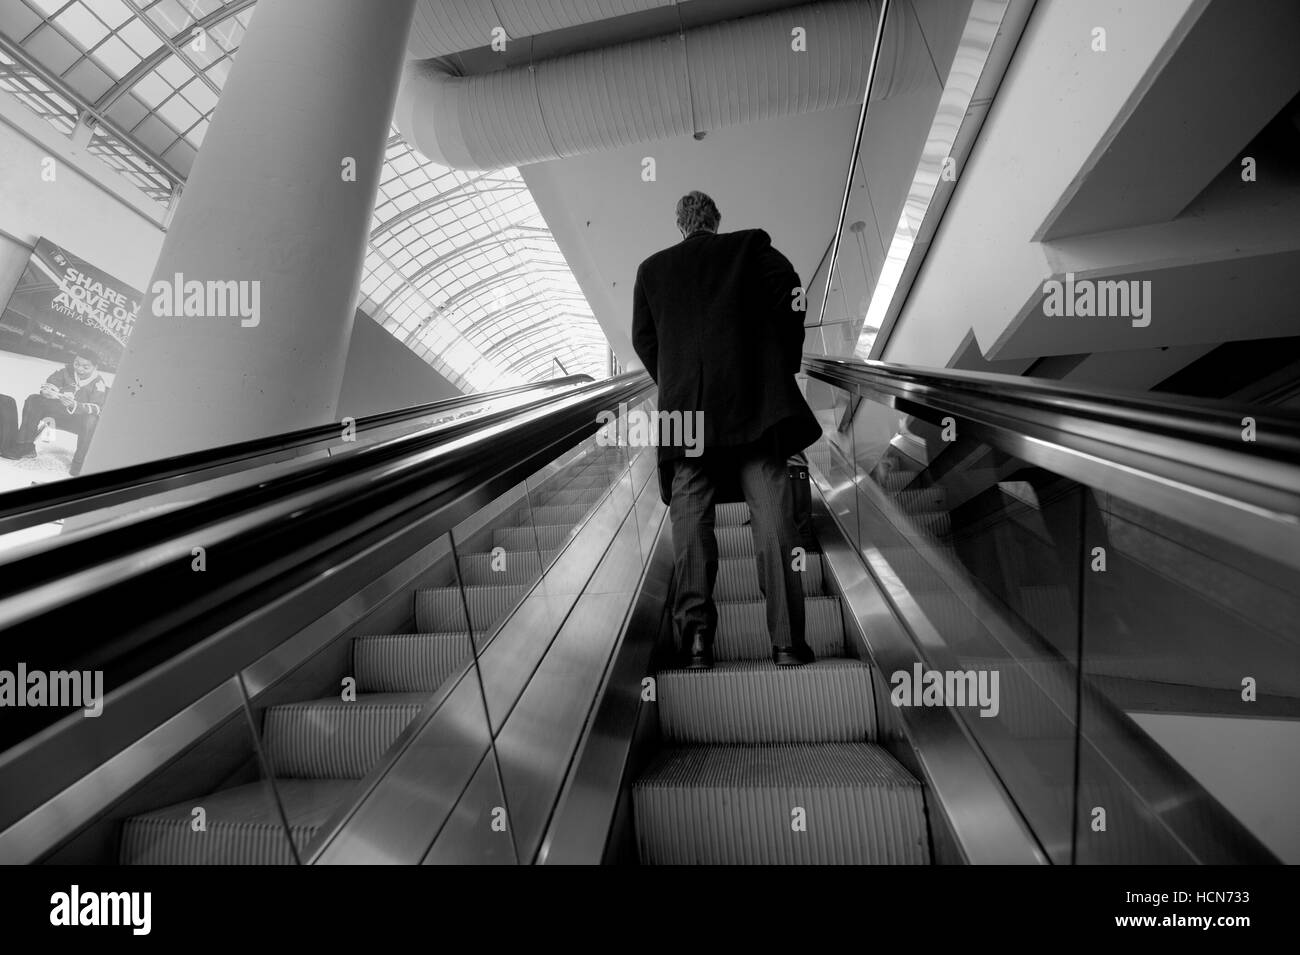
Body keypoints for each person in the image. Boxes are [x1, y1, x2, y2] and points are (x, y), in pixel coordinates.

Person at [632, 191, 821, 669]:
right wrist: (776, 359)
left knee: (691, 524)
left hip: (687, 419)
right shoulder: (749, 247)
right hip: (752, 406)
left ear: (680, 225)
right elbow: (791, 294)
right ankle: (786, 643)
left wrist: (677, 380)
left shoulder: (652, 271)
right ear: (715, 221)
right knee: (773, 517)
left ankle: (696, 642)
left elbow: (644, 339)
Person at [1, 348, 109, 477]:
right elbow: (50, 383)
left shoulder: (98, 383)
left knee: (92, 420)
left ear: (95, 367)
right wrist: (48, 391)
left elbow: (97, 408)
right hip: (58, 414)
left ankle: (79, 462)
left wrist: (76, 405)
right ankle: (25, 446)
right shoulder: (66, 372)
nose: (79, 369)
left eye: (86, 367)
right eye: (77, 364)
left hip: (79, 422)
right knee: (34, 400)